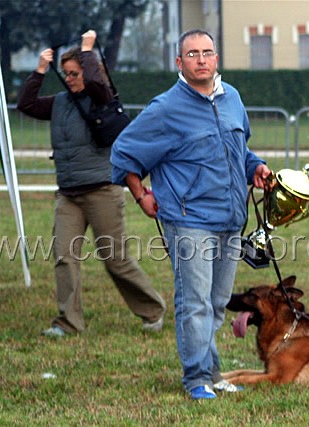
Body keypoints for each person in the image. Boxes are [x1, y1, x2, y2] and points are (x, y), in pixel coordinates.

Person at [110, 29, 272, 400]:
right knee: (195, 302)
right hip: (188, 220)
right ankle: (196, 378)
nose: (201, 59)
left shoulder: (232, 98)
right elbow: (123, 152)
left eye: (208, 52)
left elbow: (240, 150)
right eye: (193, 54)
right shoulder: (165, 108)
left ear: (217, 59)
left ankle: (212, 373)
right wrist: (140, 194)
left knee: (216, 302)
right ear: (179, 62)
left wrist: (257, 168)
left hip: (232, 218)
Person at [17, 30, 166, 338]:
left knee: (115, 259)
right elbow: (26, 104)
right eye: (67, 74)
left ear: (87, 71)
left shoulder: (101, 98)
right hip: (69, 194)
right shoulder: (58, 102)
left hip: (102, 190)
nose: (70, 78)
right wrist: (40, 70)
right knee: (64, 257)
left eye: (76, 73)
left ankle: (153, 310)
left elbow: (98, 83)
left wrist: (87, 50)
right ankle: (68, 322)